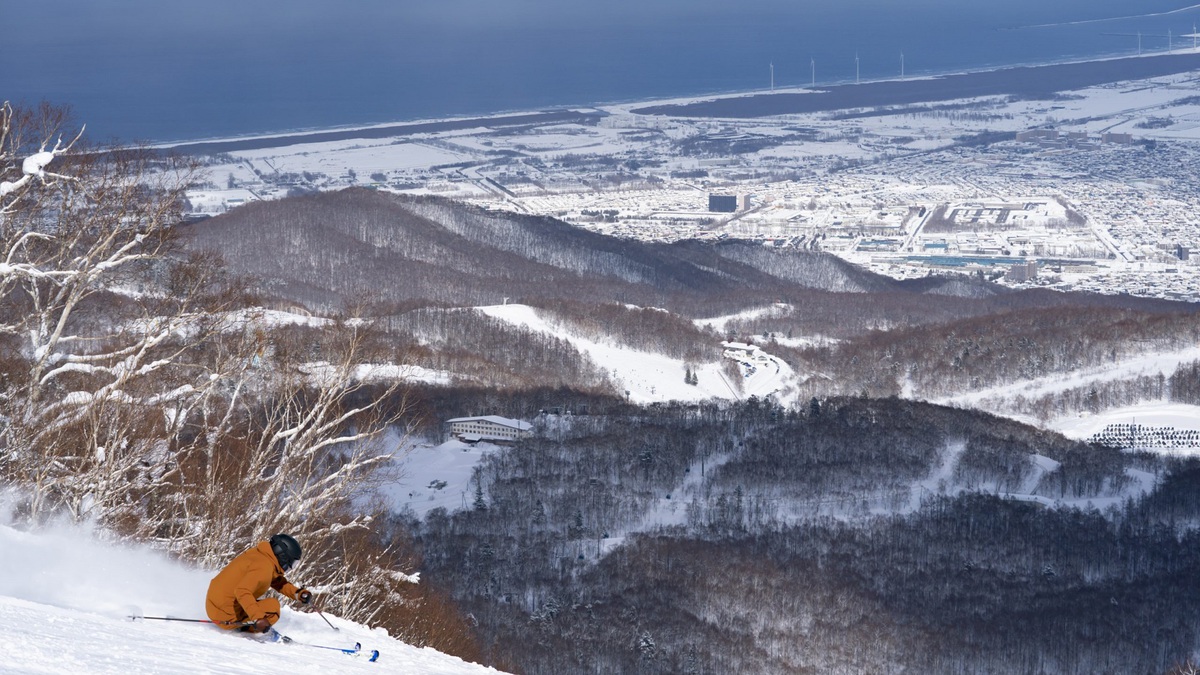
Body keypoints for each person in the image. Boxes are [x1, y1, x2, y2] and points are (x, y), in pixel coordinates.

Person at [206, 533, 314, 633]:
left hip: (213, 605)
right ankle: (245, 630)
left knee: (262, 605)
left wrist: (298, 593)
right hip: (226, 616)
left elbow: (276, 581)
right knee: (273, 608)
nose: (290, 567)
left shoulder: (261, 556)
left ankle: (246, 623)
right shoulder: (264, 567)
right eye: (292, 563)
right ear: (283, 556)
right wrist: (258, 618)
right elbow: (242, 591)